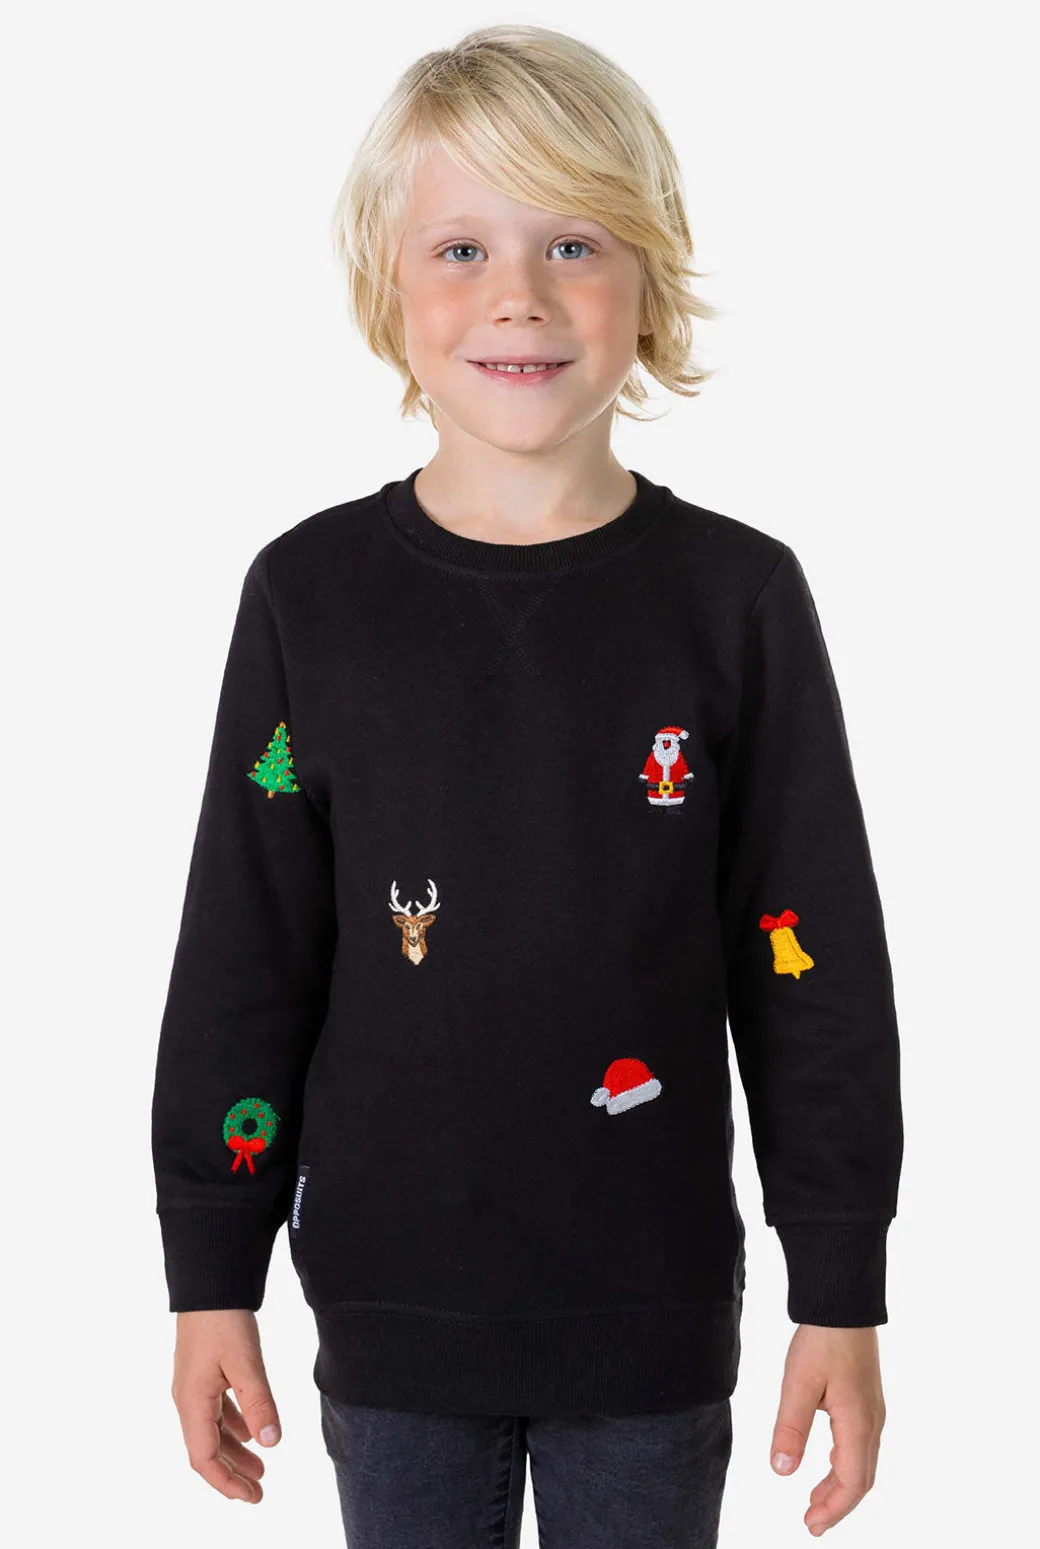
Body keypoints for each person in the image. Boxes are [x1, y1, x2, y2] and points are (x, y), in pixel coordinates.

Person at [151, 23, 903, 1548]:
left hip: (651, 1325)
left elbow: (810, 960)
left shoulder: (738, 600)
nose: (519, 295)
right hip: (390, 1318)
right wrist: (208, 1268)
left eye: (573, 242)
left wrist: (840, 1288)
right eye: (461, 249)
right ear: (388, 288)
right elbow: (246, 955)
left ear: (649, 279)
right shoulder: (308, 597)